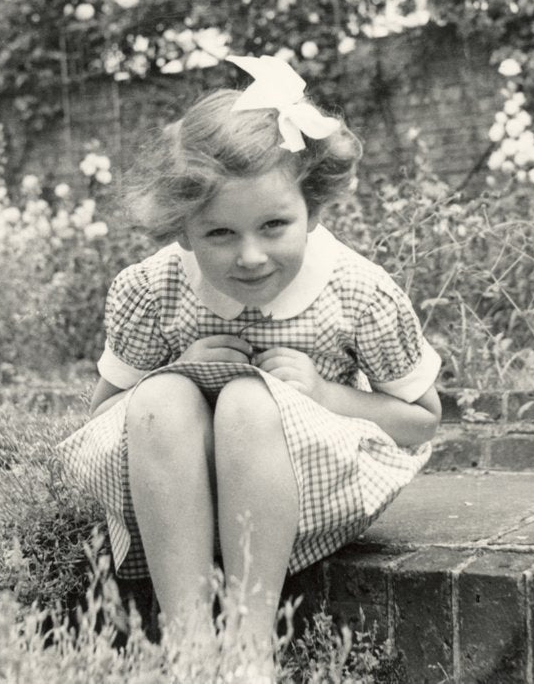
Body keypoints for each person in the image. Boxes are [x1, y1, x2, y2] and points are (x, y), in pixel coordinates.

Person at [58, 54, 442, 679]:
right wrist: (174, 369)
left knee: (246, 400)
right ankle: (186, 646)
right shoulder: (152, 289)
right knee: (161, 397)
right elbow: (102, 416)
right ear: (182, 229)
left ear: (313, 210)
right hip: (171, 485)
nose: (251, 256)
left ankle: (247, 647)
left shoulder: (356, 291)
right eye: (220, 234)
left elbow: (424, 423)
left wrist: (324, 393)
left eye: (274, 225)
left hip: (304, 481)